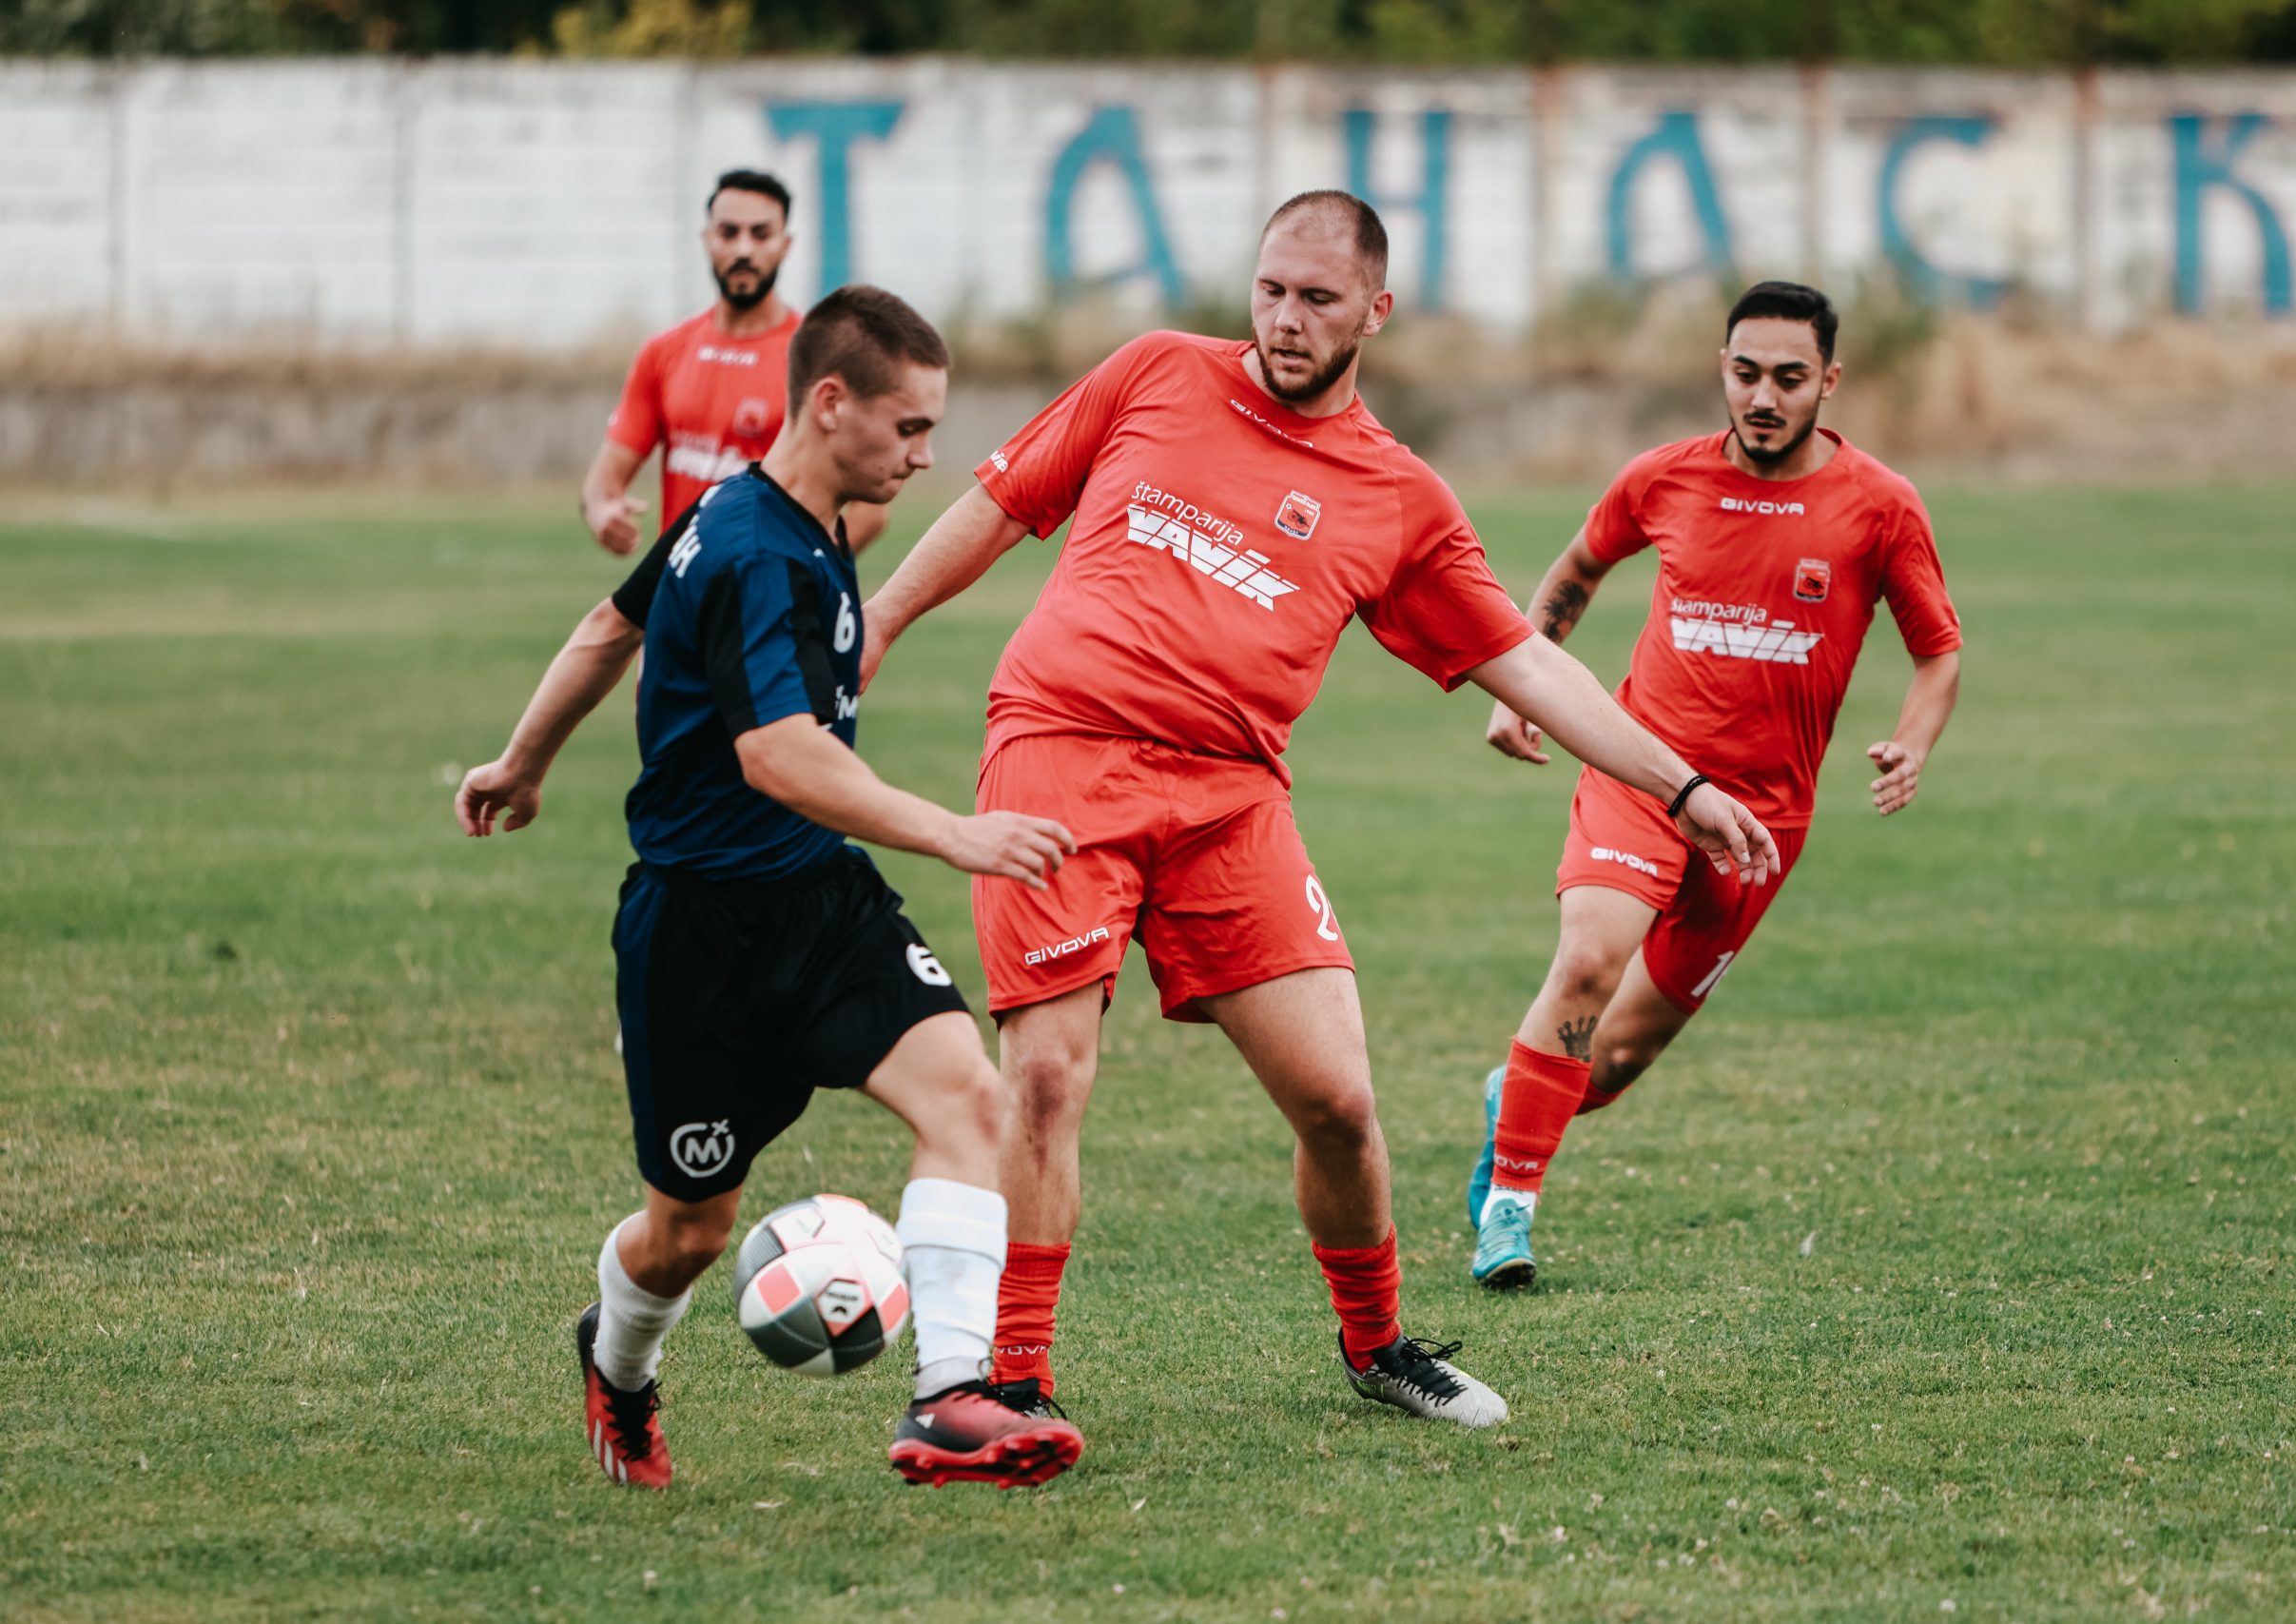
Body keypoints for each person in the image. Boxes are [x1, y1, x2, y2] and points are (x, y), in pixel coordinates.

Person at [858, 191, 1780, 1430]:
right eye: (1271, 291)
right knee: (1045, 1081)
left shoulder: (1395, 494)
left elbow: (1526, 660)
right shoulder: (1153, 372)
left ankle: (1379, 1343)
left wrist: (1682, 784)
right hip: (1061, 755)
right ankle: (1014, 1377)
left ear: (1375, 311)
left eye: (1318, 300)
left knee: (1340, 1104)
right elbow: (1001, 501)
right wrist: (875, 623)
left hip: (1230, 799)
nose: (1286, 320)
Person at [457, 285, 1081, 1488]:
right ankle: (618, 1365)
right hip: (699, 939)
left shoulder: (783, 516)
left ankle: (950, 1398)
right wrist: (953, 833)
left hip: (820, 904)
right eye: (908, 426)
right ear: (831, 402)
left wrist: (522, 762)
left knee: (971, 1098)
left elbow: (610, 625)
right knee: (687, 1233)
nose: (924, 454)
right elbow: (777, 755)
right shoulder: (750, 549)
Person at [1462, 281, 1964, 1291]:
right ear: (1720, 371)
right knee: (1588, 962)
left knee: (1610, 1061)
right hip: (1640, 774)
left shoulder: (1880, 506)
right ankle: (1508, 1212)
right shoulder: (1663, 478)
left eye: (1788, 378)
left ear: (1829, 380)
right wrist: (1525, 685)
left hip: (1761, 826)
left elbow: (1937, 652)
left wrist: (1912, 743)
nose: (1763, 397)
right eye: (1745, 373)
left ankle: (1515, 1097)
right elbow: (1578, 566)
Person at [580, 168, 889, 560]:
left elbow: (869, 513)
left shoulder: (819, 360)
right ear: (707, 240)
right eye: (729, 233)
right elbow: (602, 486)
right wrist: (603, 512)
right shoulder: (664, 351)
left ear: (785, 245)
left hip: (767, 593)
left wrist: (790, 575)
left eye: (760, 234)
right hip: (677, 591)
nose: (744, 249)